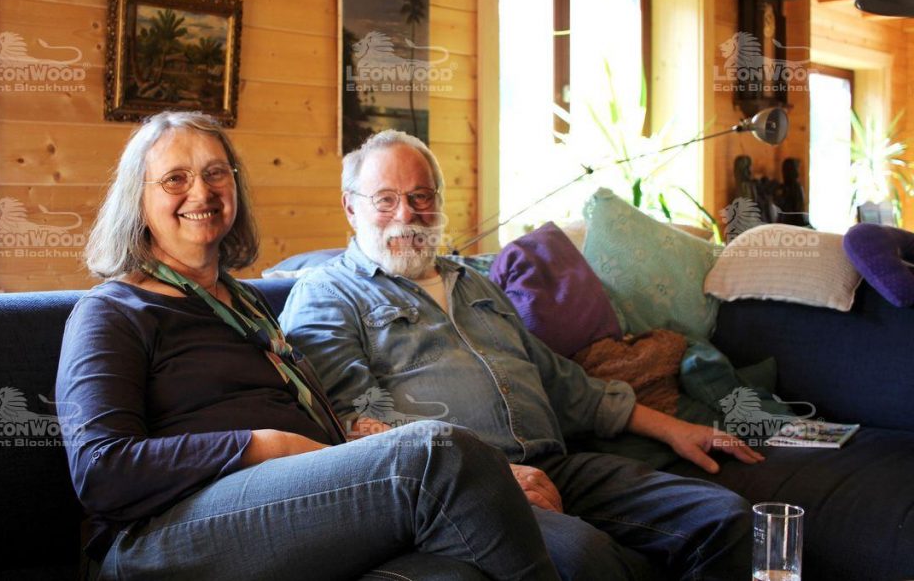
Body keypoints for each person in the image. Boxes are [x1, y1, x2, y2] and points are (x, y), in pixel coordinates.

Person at [55, 112, 561, 581]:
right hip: (162, 534)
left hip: (290, 508)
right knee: (439, 452)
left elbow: (313, 422)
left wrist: (480, 470)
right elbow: (102, 471)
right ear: (136, 199)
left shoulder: (245, 302)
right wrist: (263, 445)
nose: (201, 192)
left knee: (455, 566)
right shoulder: (112, 311)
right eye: (175, 179)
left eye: (215, 173)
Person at [281, 130, 765, 581]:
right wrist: (487, 474)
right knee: (584, 559)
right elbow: (351, 421)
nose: (406, 215)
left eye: (420, 197)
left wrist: (677, 429)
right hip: (463, 491)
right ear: (351, 207)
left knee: (728, 519)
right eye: (385, 200)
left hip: (556, 465)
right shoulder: (326, 295)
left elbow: (562, 382)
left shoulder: (473, 283)